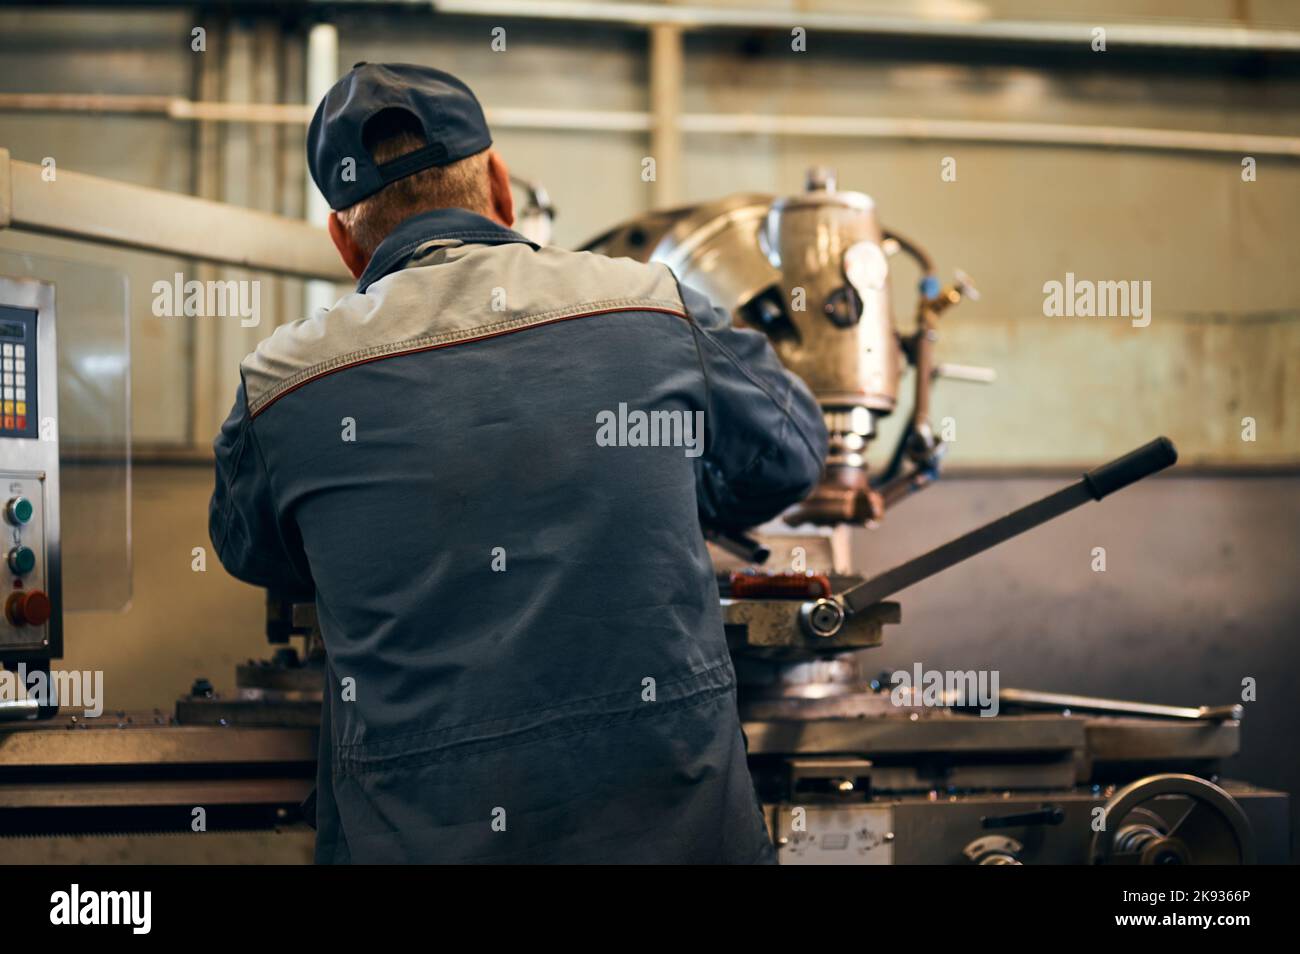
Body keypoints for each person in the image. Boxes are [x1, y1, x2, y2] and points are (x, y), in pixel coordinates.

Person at [209, 62, 827, 863]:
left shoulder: (279, 386)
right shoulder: (651, 303)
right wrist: (665, 484)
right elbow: (792, 457)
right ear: (499, 183)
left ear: (342, 240)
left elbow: (258, 554)